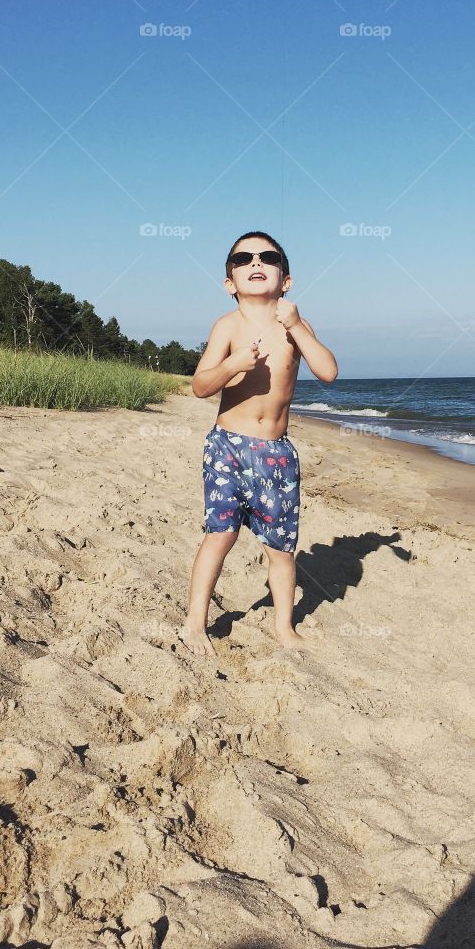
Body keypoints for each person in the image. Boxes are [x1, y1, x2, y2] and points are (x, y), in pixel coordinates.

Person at [180, 231, 338, 655]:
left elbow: (328, 372)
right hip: (228, 447)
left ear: (285, 279)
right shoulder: (227, 326)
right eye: (243, 258)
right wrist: (233, 364)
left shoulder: (295, 328)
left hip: (277, 453)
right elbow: (200, 386)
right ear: (230, 282)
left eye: (268, 257)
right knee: (220, 535)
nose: (256, 263)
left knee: (281, 548)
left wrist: (298, 326)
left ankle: (283, 627)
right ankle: (195, 623)